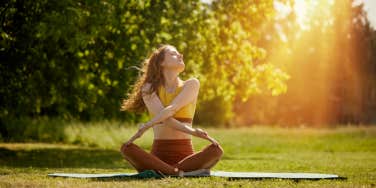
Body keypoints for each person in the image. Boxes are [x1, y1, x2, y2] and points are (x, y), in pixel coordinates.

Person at [119, 44, 223, 177]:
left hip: (186, 157)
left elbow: (172, 109)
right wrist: (193, 131)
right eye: (174, 54)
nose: (180, 55)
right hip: (158, 155)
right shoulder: (149, 88)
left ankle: (166, 172)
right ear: (161, 62)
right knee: (126, 149)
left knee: (216, 150)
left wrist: (145, 127)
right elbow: (166, 119)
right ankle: (179, 173)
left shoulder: (191, 84)